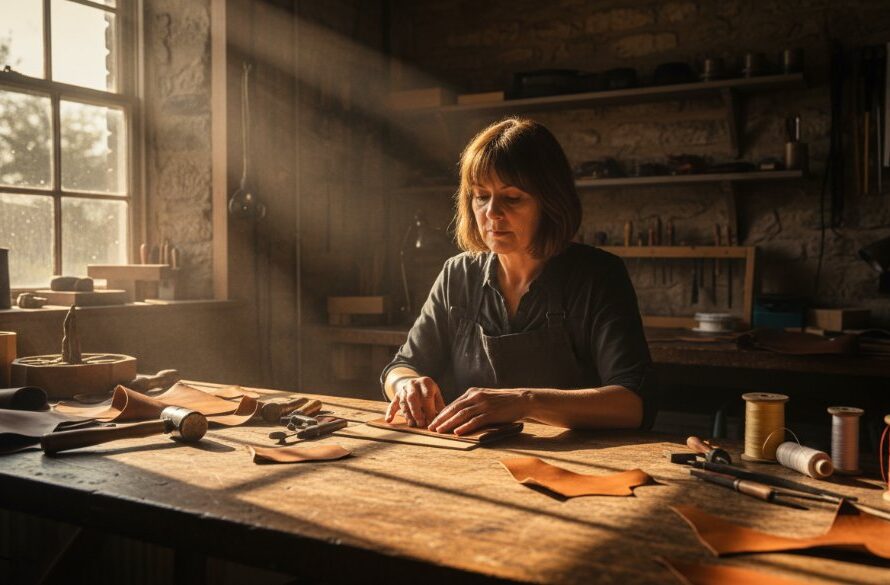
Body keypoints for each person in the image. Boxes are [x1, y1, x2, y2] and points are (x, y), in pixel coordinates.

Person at [381, 117, 653, 436]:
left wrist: (525, 402)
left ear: (550, 203)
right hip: (467, 459)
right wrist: (406, 384)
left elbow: (633, 404)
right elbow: (400, 367)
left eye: (512, 198)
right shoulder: (458, 274)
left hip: (572, 463)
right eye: (481, 195)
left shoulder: (598, 276)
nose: (492, 213)